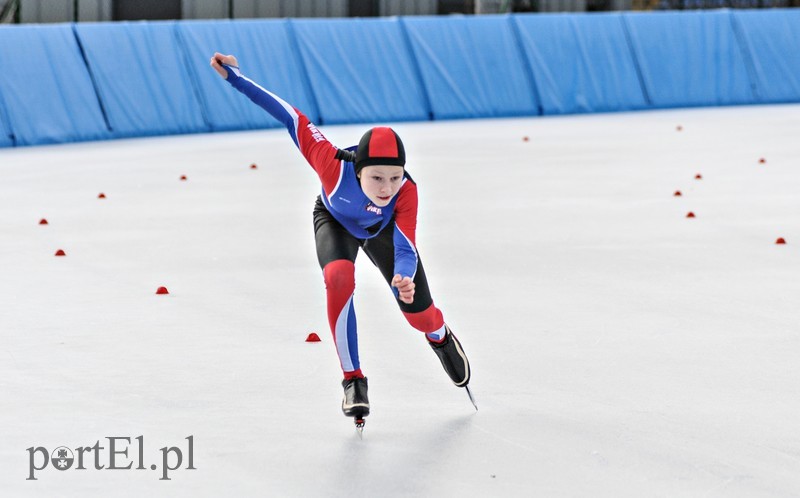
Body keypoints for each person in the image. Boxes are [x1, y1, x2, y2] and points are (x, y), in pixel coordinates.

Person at [210, 53, 471, 423]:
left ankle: (440, 337)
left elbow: (406, 244)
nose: (386, 188)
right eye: (377, 178)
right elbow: (289, 114)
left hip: (382, 234)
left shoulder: (407, 192)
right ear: (358, 168)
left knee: (419, 317)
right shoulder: (331, 162)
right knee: (337, 277)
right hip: (335, 222)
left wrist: (405, 276)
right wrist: (235, 77)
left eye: (394, 178)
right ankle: (353, 380)